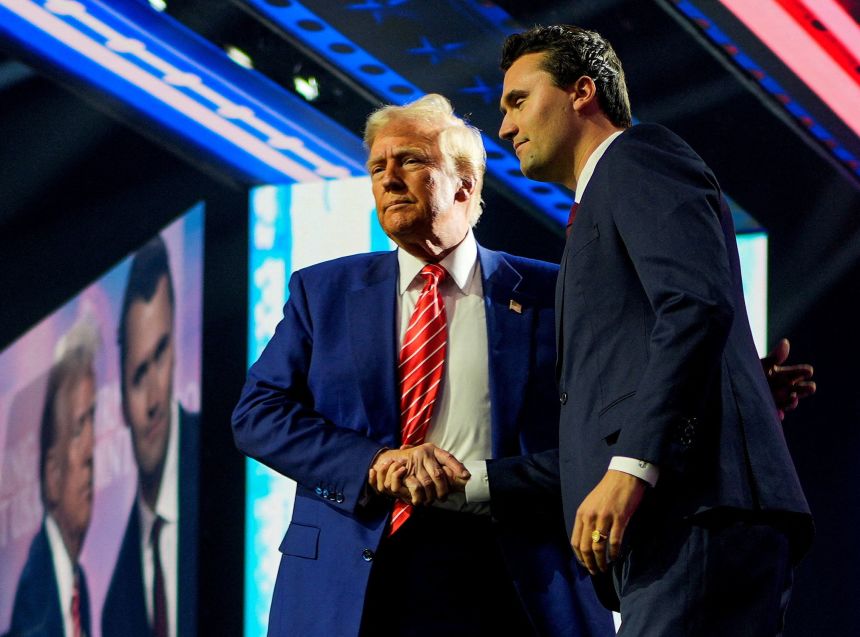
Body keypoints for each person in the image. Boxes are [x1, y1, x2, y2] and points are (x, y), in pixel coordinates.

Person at [232, 93, 614, 637]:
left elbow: (606, 423)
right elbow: (258, 415)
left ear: (465, 185)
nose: (388, 179)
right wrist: (372, 462)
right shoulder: (324, 291)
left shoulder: (553, 291)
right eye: (376, 167)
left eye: (410, 160)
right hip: (352, 578)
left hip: (513, 575)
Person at [493, 24, 814, 635]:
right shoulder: (603, 198)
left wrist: (630, 466)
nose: (505, 126)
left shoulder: (637, 157)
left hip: (690, 516)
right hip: (676, 527)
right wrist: (736, 387)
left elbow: (695, 303)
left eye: (517, 100)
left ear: (581, 91)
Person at [102, 236, 199, 637]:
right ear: (121, 399)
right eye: (139, 375)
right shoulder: (114, 601)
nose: (155, 397)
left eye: (160, 355)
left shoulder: (226, 463)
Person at [8, 319, 98, 637]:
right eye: (77, 430)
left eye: (93, 421)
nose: (91, 451)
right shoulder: (36, 599)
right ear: (51, 475)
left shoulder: (76, 583)